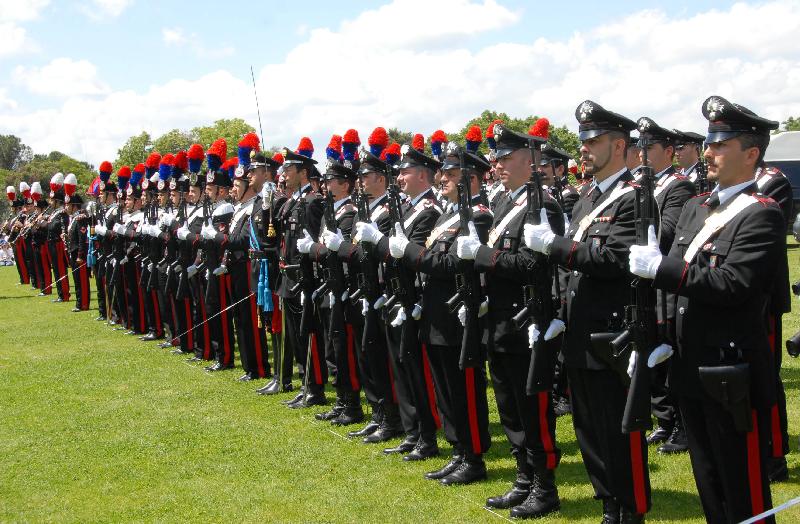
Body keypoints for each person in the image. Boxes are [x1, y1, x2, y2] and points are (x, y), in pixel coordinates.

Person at [628, 95, 781, 523]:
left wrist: (663, 269)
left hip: (730, 371)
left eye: (720, 145)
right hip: (689, 363)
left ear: (751, 153)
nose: (708, 152)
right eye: (709, 143)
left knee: (743, 488)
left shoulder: (761, 214)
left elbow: (734, 284)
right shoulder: (699, 206)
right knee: (708, 481)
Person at [524, 100, 650, 523]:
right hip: (580, 330)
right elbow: (571, 268)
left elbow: (613, 258)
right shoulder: (589, 197)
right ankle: (609, 505)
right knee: (590, 430)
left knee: (618, 430)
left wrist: (554, 245)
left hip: (611, 332)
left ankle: (629, 510)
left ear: (619, 145)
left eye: (593, 141)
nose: (583, 149)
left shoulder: (634, 197)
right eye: (583, 142)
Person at [458, 123, 565, 519]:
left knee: (533, 409)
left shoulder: (543, 205)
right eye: (497, 158)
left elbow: (533, 267)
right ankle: (523, 479)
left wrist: (482, 257)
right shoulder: (504, 203)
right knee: (509, 408)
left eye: (505, 157)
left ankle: (544, 486)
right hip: (499, 322)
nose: (497, 164)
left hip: (527, 322)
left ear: (529, 160)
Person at [392, 142, 493, 484]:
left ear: (472, 180)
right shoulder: (450, 215)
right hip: (436, 313)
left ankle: (474, 457)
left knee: (463, 389)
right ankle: (458, 451)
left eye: (451, 174)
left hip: (458, 315)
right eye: (443, 173)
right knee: (446, 390)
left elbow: (453, 264)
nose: (443, 179)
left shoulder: (478, 215)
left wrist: (410, 252)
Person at [355, 142, 443, 458]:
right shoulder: (406, 207)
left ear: (422, 175)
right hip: (396, 295)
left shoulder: (429, 211)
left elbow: (409, 252)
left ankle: (427, 436)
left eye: (404, 171)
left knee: (416, 372)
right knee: (402, 368)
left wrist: (379, 243)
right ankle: (412, 432)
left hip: (415, 297)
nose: (400, 177)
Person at [634, 117, 696, 455]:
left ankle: (683, 427)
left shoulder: (678, 186)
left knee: (670, 353)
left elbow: (668, 230)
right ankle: (666, 420)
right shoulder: (645, 184)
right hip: (646, 279)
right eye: (638, 147)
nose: (641, 153)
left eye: (649, 147)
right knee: (652, 351)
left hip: (665, 279)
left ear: (669, 152)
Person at [65, 192, 90, 311]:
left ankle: (83, 304)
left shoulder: (80, 218)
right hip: (73, 252)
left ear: (74, 206)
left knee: (82, 280)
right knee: (76, 279)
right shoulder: (73, 218)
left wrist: (80, 255)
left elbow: (82, 239)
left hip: (79, 254)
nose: (66, 207)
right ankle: (79, 303)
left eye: (68, 205)